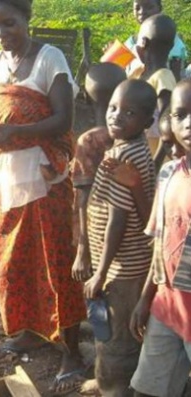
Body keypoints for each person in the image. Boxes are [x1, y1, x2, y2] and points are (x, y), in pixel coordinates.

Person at [0, 0, 87, 394]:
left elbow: (64, 119)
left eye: (10, 22)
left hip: (42, 177)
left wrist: (15, 135)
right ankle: (31, 329)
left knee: (53, 260)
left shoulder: (49, 58)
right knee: (13, 258)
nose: (1, 32)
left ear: (27, 19)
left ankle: (72, 349)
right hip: (5, 177)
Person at [84, 79, 157, 397]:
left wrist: (100, 271)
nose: (116, 116)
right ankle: (106, 379)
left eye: (129, 113)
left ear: (147, 122)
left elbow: (118, 219)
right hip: (115, 263)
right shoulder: (124, 148)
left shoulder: (129, 158)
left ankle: (115, 387)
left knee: (118, 333)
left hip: (123, 267)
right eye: (114, 108)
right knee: (107, 326)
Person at [129, 78, 191, 397]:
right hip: (167, 307)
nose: (189, 123)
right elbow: (161, 243)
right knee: (148, 389)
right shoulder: (168, 174)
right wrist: (146, 297)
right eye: (181, 115)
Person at [71, 63, 127, 282]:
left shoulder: (90, 140)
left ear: (85, 94)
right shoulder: (131, 132)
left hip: (95, 232)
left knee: (96, 290)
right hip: (124, 229)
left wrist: (82, 249)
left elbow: (83, 198)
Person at [130, 14, 178, 159]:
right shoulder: (139, 73)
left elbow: (168, 124)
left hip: (151, 158)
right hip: (135, 155)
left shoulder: (163, 77)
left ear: (143, 42)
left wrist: (156, 164)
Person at [124, 0, 187, 81]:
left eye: (149, 7)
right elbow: (123, 71)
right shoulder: (130, 43)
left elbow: (176, 74)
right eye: (137, 8)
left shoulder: (170, 39)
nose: (142, 12)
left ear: (160, 8)